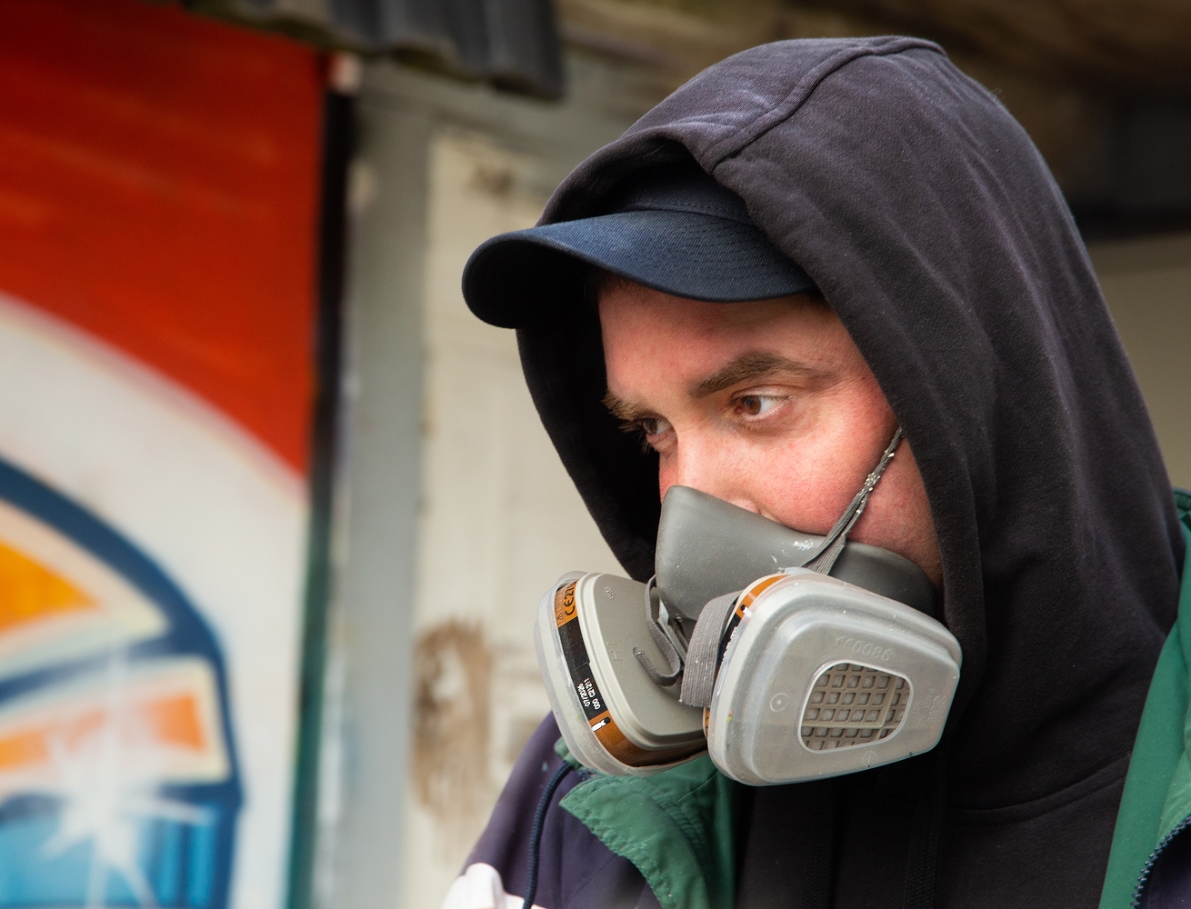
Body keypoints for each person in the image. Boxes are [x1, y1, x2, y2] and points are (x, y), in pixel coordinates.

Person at [447, 36, 1190, 909]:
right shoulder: (599, 796)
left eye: (755, 402)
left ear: (971, 388)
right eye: (654, 430)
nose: (689, 511)